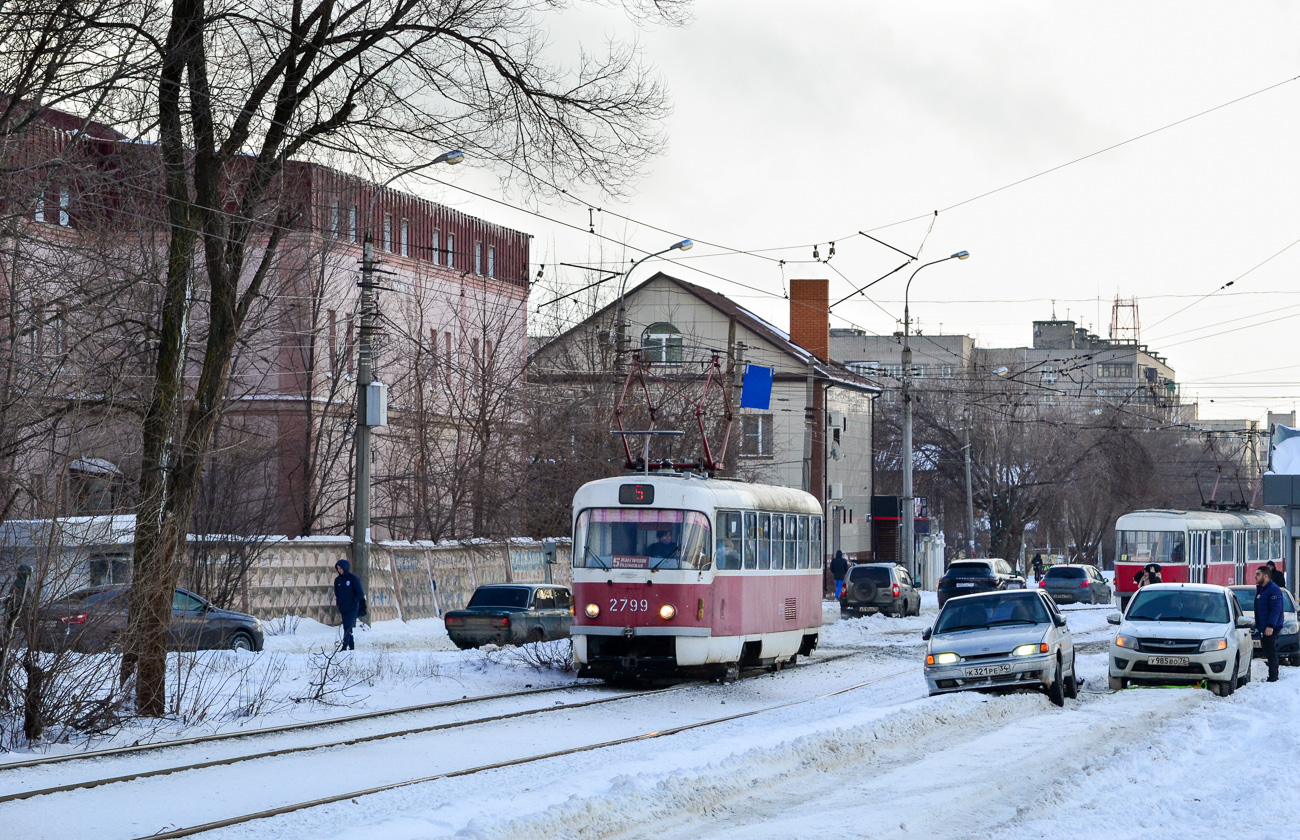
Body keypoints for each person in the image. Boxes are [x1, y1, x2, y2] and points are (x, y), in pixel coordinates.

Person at [1255, 565, 1285, 682]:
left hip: (1270, 627)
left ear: (1266, 576)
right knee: (1267, 651)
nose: (1255, 576)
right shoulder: (1263, 589)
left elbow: (1275, 609)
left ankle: (1273, 676)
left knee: (1271, 651)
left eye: (1258, 574)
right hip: (1264, 626)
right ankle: (1272, 675)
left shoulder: (1273, 590)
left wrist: (1270, 626)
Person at [333, 558, 365, 651]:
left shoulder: (353, 579)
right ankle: (351, 646)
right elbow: (337, 593)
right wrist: (339, 602)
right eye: (338, 568)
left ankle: (344, 646)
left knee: (348, 626)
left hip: (352, 607)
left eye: (341, 568)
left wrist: (354, 601)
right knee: (347, 627)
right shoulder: (338, 580)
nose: (339, 570)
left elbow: (360, 593)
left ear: (345, 568)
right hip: (343, 608)